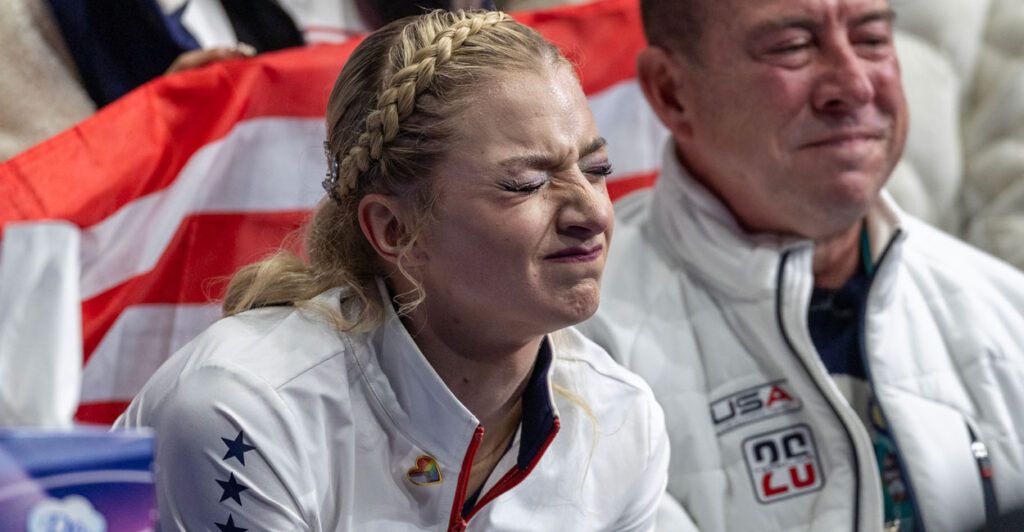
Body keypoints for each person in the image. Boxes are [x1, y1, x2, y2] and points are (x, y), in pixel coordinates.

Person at [113, 9, 670, 531]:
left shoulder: (621, 417)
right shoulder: (245, 411)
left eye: (597, 169)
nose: (594, 212)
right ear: (395, 231)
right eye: (526, 183)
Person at [577, 0, 1024, 531]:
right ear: (672, 91)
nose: (854, 85)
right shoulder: (575, 348)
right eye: (792, 47)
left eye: (872, 39)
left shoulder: (1007, 310)